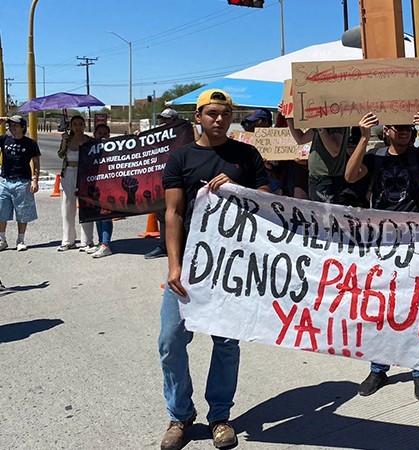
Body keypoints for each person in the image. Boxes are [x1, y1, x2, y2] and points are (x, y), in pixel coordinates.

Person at [158, 89, 270, 450]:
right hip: (190, 266)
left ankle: (220, 416)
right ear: (198, 117)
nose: (218, 119)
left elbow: (269, 207)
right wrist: (174, 266)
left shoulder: (247, 156)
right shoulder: (181, 158)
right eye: (211, 113)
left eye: (224, 114)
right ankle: (180, 415)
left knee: (226, 344)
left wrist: (239, 191)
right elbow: (173, 213)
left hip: (232, 268)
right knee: (171, 341)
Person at [345, 111, 419, 401]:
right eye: (398, 128)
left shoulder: (418, 155)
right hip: (382, 243)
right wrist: (363, 137)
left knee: (416, 305)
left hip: (414, 242)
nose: (403, 132)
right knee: (382, 307)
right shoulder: (375, 156)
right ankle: (378, 367)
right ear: (386, 130)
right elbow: (351, 176)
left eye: (407, 128)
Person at [145, 108, 196, 260]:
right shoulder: (157, 136)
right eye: (161, 119)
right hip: (161, 179)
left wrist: (191, 128)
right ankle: (164, 245)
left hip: (180, 179)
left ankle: (183, 246)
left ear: (175, 121)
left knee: (180, 212)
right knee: (162, 212)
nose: (162, 122)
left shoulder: (184, 134)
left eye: (166, 119)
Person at [0, 115, 40, 251]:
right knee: (1, 211)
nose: (12, 128)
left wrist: (35, 180)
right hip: (5, 180)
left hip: (22, 182)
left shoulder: (30, 143)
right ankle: (2, 240)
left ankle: (20, 239)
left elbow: (36, 162)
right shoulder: (4, 139)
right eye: (10, 125)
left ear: (23, 127)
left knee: (22, 212)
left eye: (15, 125)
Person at [57, 115, 96, 252]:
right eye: (75, 124)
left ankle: (87, 241)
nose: (78, 127)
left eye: (80, 124)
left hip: (84, 175)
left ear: (84, 126)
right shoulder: (67, 140)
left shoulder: (90, 140)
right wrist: (63, 141)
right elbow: (61, 155)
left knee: (86, 206)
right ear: (71, 126)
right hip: (68, 174)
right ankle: (68, 240)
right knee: (67, 207)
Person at [286, 117, 346, 203]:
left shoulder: (337, 122)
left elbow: (334, 150)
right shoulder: (322, 123)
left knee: (325, 214)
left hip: (327, 178)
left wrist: (320, 128)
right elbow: (301, 139)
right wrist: (288, 118)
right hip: (315, 177)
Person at [91, 124, 114, 258]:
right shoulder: (90, 148)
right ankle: (101, 242)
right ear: (94, 134)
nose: (102, 135)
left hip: (108, 185)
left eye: (105, 133)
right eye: (99, 133)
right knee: (97, 216)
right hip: (94, 186)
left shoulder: (113, 147)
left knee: (106, 216)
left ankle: (106, 244)